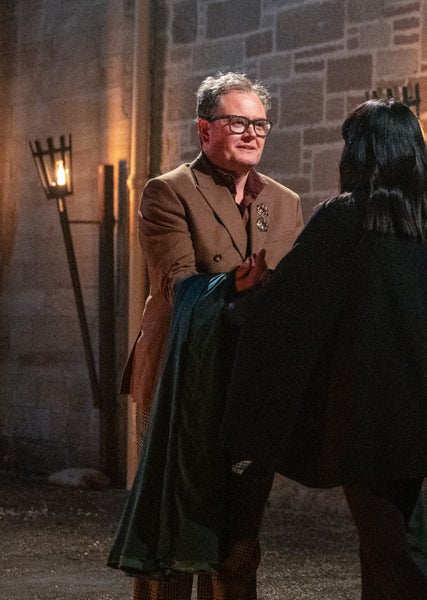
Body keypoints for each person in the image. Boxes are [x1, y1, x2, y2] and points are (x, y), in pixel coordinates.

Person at [221, 98, 427, 600]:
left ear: (365, 153)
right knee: (391, 542)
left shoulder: (347, 218)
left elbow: (294, 302)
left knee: (390, 551)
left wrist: (239, 306)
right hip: (419, 407)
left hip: (368, 412)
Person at [111, 72, 303, 600]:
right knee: (172, 528)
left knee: (239, 535)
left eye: (259, 124)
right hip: (178, 377)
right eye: (237, 122)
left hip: (246, 383)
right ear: (204, 130)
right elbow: (175, 283)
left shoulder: (284, 201)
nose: (252, 133)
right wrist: (233, 285)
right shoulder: (168, 192)